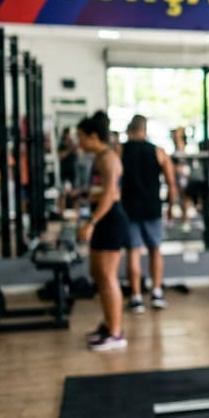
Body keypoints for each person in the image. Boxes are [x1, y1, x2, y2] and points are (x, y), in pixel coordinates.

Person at [77, 111, 133, 352]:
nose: (79, 143)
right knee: (97, 272)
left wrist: (91, 222)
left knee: (108, 275)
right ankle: (108, 323)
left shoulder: (108, 158)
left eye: (81, 137)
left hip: (111, 220)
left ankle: (116, 333)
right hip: (105, 219)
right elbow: (102, 191)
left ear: (93, 136)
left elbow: (110, 193)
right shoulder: (100, 157)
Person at [120, 115, 180, 313]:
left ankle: (137, 297)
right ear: (144, 130)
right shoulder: (158, 152)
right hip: (152, 207)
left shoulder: (120, 150)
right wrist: (171, 207)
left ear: (130, 130)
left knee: (134, 252)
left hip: (129, 208)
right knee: (155, 250)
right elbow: (172, 184)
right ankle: (156, 293)